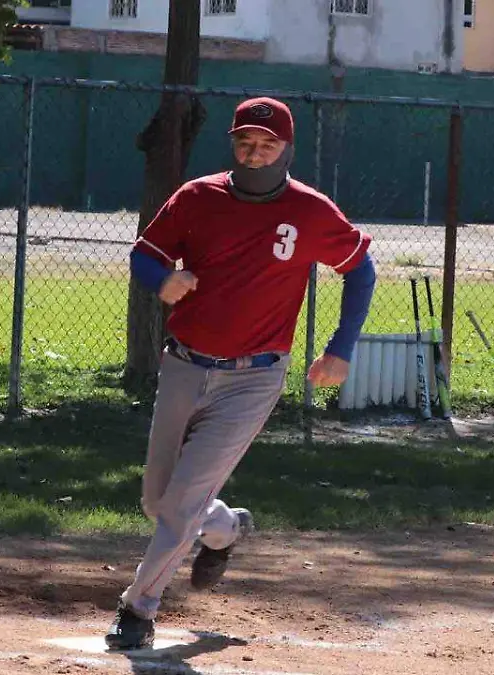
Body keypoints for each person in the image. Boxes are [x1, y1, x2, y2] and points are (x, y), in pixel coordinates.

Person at [105, 97, 376, 650]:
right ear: (233, 143)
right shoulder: (198, 197)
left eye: (268, 143)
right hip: (184, 364)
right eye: (245, 141)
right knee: (158, 502)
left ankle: (138, 609)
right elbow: (144, 254)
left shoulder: (311, 211)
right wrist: (161, 280)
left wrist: (341, 347)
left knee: (178, 506)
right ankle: (226, 529)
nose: (256, 152)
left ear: (287, 148)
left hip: (253, 378)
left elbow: (361, 270)